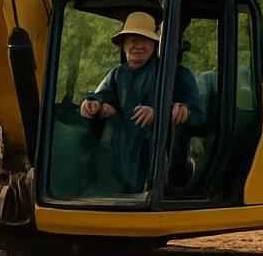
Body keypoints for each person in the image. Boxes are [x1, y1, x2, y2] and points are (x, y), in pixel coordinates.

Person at [78, 12, 204, 192]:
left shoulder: (178, 76)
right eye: (131, 39)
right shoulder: (116, 76)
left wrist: (163, 114)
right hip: (119, 169)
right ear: (122, 45)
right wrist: (92, 106)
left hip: (162, 171)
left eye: (144, 39)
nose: (137, 45)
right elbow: (98, 98)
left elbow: (198, 118)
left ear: (155, 44)